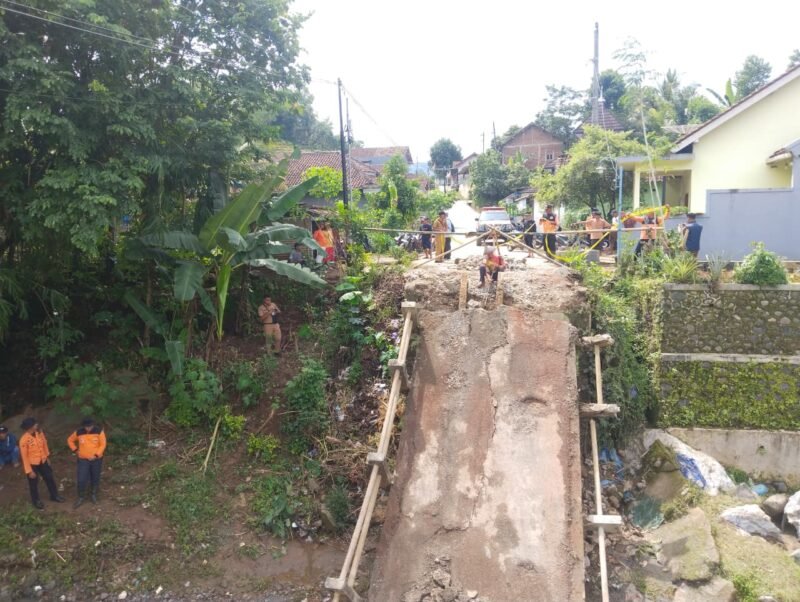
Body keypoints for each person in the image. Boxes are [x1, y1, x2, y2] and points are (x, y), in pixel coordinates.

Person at [19, 417, 64, 509]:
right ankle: (36, 501)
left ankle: (54, 495)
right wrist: (29, 471)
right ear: (30, 427)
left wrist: (47, 457)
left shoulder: (39, 433)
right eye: (35, 424)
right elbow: (24, 457)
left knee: (49, 478)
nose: (37, 425)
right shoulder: (24, 440)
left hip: (43, 460)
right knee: (33, 483)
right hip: (32, 464)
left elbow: (44, 444)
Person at [67, 417, 106, 507]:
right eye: (86, 427)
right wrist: (75, 450)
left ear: (93, 425)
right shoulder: (79, 432)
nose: (88, 428)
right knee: (81, 478)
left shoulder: (99, 431)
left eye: (90, 426)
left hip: (96, 459)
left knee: (95, 476)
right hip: (83, 459)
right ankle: (81, 496)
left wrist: (96, 455)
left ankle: (93, 494)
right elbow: (70, 440)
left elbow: (103, 444)